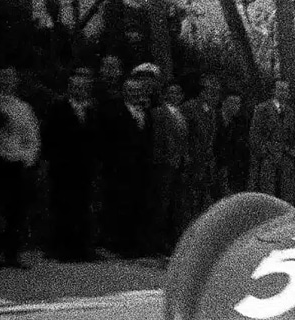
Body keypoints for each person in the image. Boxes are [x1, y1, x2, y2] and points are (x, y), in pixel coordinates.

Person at [42, 67, 103, 262]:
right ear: (70, 87)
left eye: (84, 87)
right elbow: (49, 136)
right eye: (76, 87)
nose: (80, 90)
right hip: (63, 166)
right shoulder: (58, 107)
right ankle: (62, 248)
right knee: (62, 207)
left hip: (85, 167)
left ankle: (82, 248)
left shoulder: (92, 109)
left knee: (83, 207)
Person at [0, 65, 41, 269]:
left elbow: (32, 137)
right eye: (3, 76)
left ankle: (12, 254)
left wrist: (27, 160)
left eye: (11, 77)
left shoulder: (23, 107)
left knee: (16, 212)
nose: (7, 80)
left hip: (16, 163)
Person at [99, 71, 154, 257]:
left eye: (138, 90)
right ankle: (119, 244)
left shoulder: (145, 111)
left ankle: (135, 243)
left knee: (138, 205)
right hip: (120, 166)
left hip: (141, 167)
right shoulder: (114, 110)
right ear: (124, 91)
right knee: (119, 205)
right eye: (131, 90)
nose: (135, 94)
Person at [151, 80, 189, 253]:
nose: (174, 96)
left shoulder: (182, 114)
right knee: (162, 202)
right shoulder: (158, 113)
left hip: (179, 163)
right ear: (165, 95)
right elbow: (157, 140)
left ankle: (172, 240)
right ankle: (158, 241)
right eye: (171, 93)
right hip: (165, 164)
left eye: (178, 93)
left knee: (177, 202)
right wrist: (161, 160)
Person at [248, 80, 294, 203]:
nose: (283, 93)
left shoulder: (290, 111)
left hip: (285, 156)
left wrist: (291, 152)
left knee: (287, 192)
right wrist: (264, 152)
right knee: (267, 192)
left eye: (286, 90)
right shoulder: (262, 109)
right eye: (280, 89)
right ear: (273, 91)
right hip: (268, 156)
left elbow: (293, 134)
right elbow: (255, 134)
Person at [181, 74, 221, 215]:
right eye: (209, 90)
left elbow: (211, 135)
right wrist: (186, 155)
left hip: (205, 159)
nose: (212, 94)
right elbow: (184, 134)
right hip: (191, 157)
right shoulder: (189, 107)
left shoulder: (211, 111)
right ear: (202, 90)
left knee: (203, 193)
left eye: (215, 91)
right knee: (189, 195)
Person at [217, 89, 249, 194]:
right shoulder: (214, 118)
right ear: (224, 102)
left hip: (228, 164)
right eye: (231, 102)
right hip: (213, 162)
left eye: (237, 103)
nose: (235, 106)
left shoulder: (237, 123)